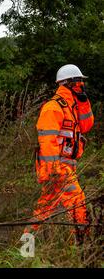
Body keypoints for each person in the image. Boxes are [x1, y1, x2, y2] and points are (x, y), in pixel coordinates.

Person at [25, 65, 94, 241]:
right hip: (59, 168)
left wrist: (83, 101)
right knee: (77, 202)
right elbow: (47, 141)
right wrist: (52, 170)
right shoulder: (53, 107)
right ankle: (83, 244)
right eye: (79, 82)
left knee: (44, 208)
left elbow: (87, 126)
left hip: (66, 167)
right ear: (70, 83)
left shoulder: (72, 107)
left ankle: (25, 247)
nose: (82, 85)